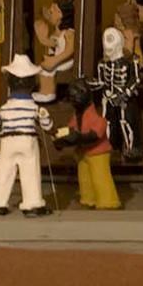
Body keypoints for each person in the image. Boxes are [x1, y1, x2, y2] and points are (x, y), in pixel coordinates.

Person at [0, 54, 53, 216]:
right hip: (27, 140)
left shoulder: (5, 108)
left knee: (4, 171)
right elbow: (47, 126)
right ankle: (32, 203)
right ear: (33, 83)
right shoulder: (33, 108)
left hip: (8, 142)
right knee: (30, 171)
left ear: (9, 82)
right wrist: (45, 117)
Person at [55, 79, 121, 210]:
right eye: (72, 97)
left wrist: (77, 138)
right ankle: (88, 199)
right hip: (83, 152)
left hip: (98, 152)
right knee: (85, 178)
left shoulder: (96, 114)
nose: (74, 99)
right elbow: (71, 129)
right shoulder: (77, 115)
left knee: (100, 178)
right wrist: (61, 140)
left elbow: (95, 135)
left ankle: (108, 201)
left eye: (76, 96)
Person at [91, 26, 143, 161]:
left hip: (124, 99)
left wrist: (124, 94)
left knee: (126, 121)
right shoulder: (102, 64)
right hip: (108, 98)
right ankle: (108, 146)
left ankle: (131, 147)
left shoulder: (131, 61)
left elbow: (136, 79)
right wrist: (93, 86)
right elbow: (101, 81)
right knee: (107, 122)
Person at [35, 0, 75, 104]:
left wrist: (55, 60)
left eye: (52, 11)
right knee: (43, 67)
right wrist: (43, 39)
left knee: (48, 69)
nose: (50, 13)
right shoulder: (57, 33)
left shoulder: (69, 33)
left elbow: (69, 50)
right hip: (58, 59)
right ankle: (44, 91)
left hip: (66, 61)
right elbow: (53, 44)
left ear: (61, 14)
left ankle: (49, 93)